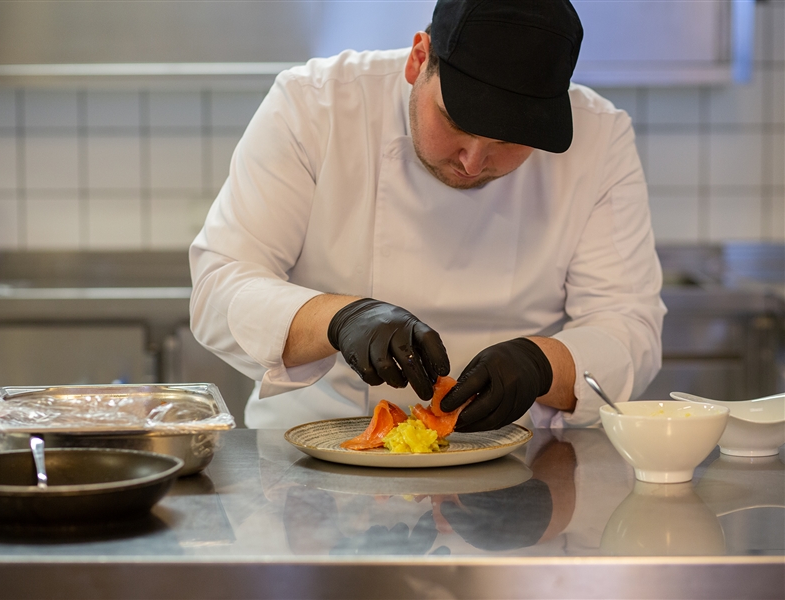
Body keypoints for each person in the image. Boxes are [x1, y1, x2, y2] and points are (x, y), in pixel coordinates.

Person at [189, 0, 666, 430]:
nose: (473, 162)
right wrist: (339, 319)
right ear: (419, 59)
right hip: (313, 453)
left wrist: (543, 365)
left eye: (508, 141)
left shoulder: (600, 138)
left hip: (518, 463)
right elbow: (219, 290)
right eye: (455, 123)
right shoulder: (315, 105)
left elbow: (628, 326)